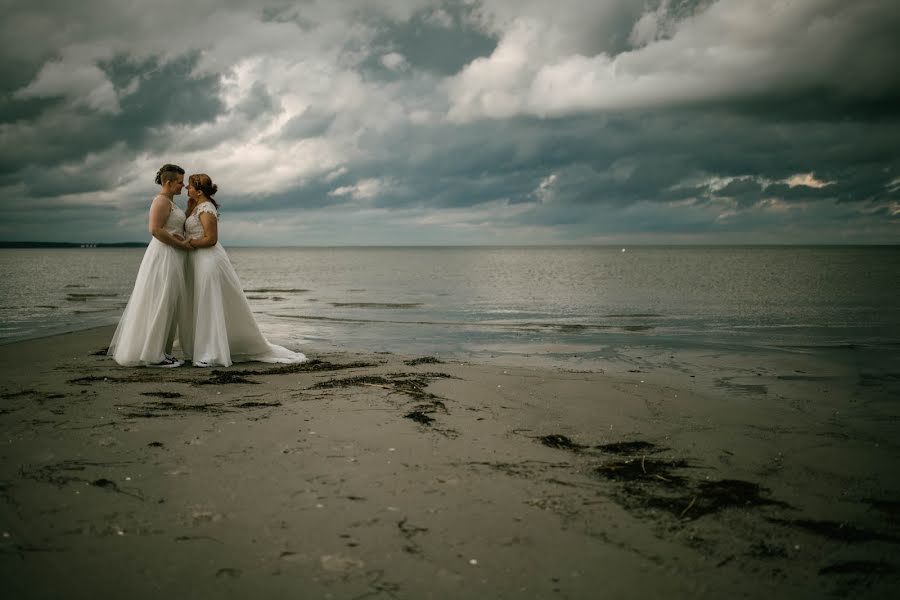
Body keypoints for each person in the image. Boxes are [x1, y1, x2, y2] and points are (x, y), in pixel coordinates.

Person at [184, 173, 307, 367]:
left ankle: (212, 352)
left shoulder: (206, 208)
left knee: (209, 302)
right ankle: (204, 347)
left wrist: (189, 243)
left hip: (208, 260)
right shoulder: (196, 206)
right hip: (197, 260)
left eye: (189, 187)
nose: (186, 189)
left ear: (198, 191)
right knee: (202, 302)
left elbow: (211, 239)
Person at [108, 164, 194, 367]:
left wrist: (189, 210)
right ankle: (153, 355)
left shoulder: (171, 203)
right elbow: (155, 230)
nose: (183, 186)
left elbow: (173, 226)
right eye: (180, 182)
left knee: (169, 302)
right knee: (162, 300)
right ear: (168, 182)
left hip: (173, 255)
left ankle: (162, 350)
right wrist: (180, 244)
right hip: (164, 255)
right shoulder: (161, 201)